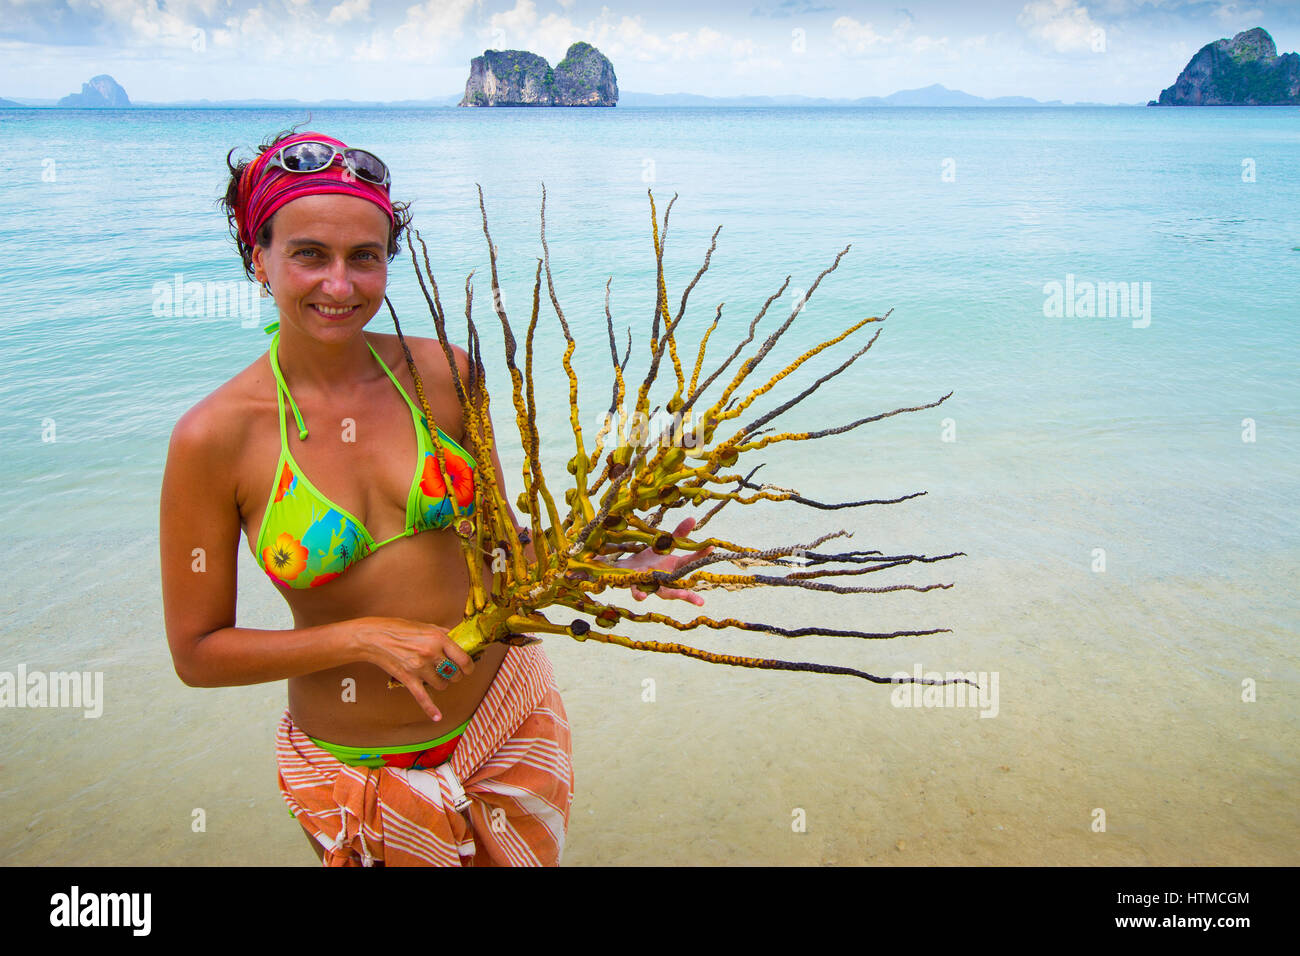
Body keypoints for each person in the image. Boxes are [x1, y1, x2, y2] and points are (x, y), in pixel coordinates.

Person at [159, 127, 706, 866]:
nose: (341, 285)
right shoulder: (213, 439)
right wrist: (357, 637)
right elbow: (197, 654)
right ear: (259, 259)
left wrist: (610, 561)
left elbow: (502, 549)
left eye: (366, 258)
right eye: (309, 254)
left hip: (509, 721)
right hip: (358, 770)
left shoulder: (445, 375)